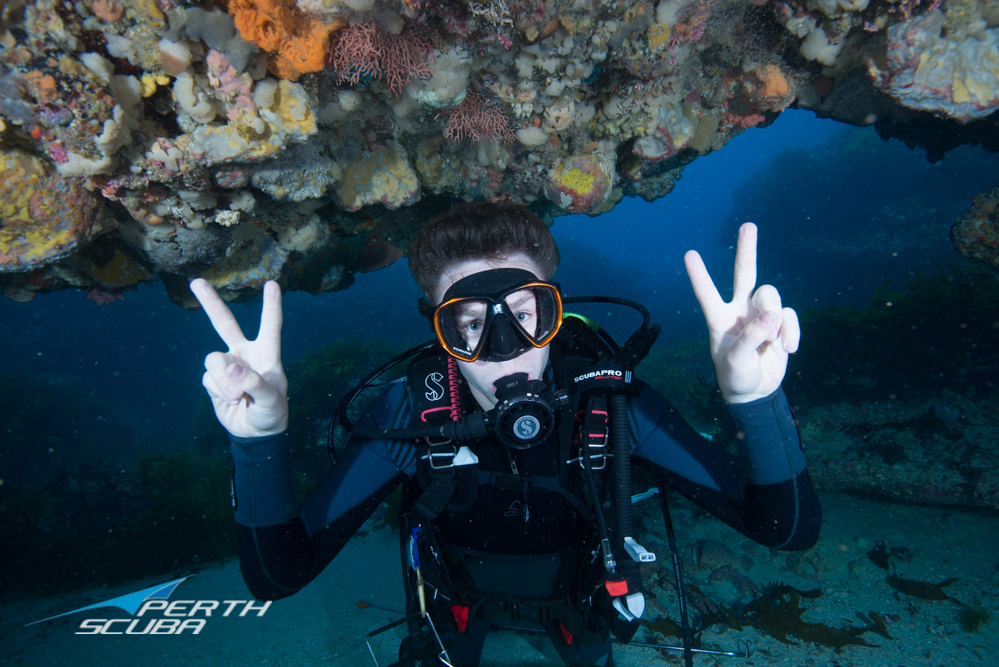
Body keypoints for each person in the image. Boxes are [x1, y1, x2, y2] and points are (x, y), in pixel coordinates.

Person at [191, 202, 820, 667]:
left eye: (525, 316)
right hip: (453, 601)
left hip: (581, 599)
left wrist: (754, 397)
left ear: (554, 311)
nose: (503, 353)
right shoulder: (411, 412)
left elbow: (786, 531)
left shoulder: (609, 401)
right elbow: (277, 577)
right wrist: (259, 438)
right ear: (439, 334)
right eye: (467, 325)